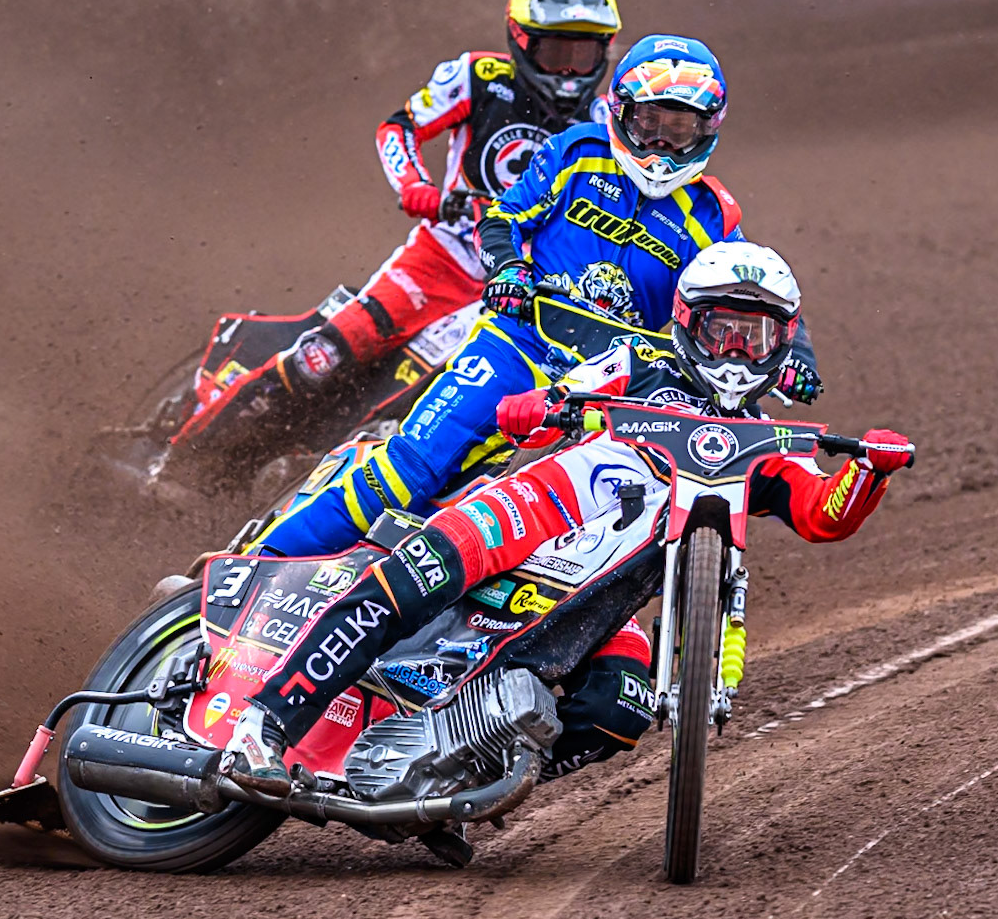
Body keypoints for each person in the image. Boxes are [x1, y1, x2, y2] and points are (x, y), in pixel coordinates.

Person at [222, 242, 906, 794]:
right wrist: (541, 406)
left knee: (623, 702)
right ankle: (264, 725)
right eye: (721, 330)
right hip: (521, 519)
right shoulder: (643, 361)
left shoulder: (763, 445)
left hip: (594, 603)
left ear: (780, 344)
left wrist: (868, 468)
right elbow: (566, 391)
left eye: (751, 336)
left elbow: (823, 513)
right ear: (688, 323)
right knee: (409, 583)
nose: (733, 352)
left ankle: (458, 782)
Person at [254, 31, 825, 560]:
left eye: (679, 131)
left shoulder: (713, 213)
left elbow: (758, 290)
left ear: (707, 131)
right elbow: (503, 219)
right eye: (649, 123)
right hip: (518, 344)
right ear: (620, 111)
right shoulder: (575, 153)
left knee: (584, 538)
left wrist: (796, 355)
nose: (659, 145)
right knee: (411, 468)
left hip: (616, 391)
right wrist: (506, 269)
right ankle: (258, 565)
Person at [174, 0, 623, 441]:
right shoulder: (479, 77)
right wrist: (418, 189)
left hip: (516, 289)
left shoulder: (608, 126)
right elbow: (400, 128)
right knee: (322, 357)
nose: (570, 71)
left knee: (452, 409)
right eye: (557, 53)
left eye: (584, 54)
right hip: (441, 259)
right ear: (520, 39)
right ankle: (180, 460)